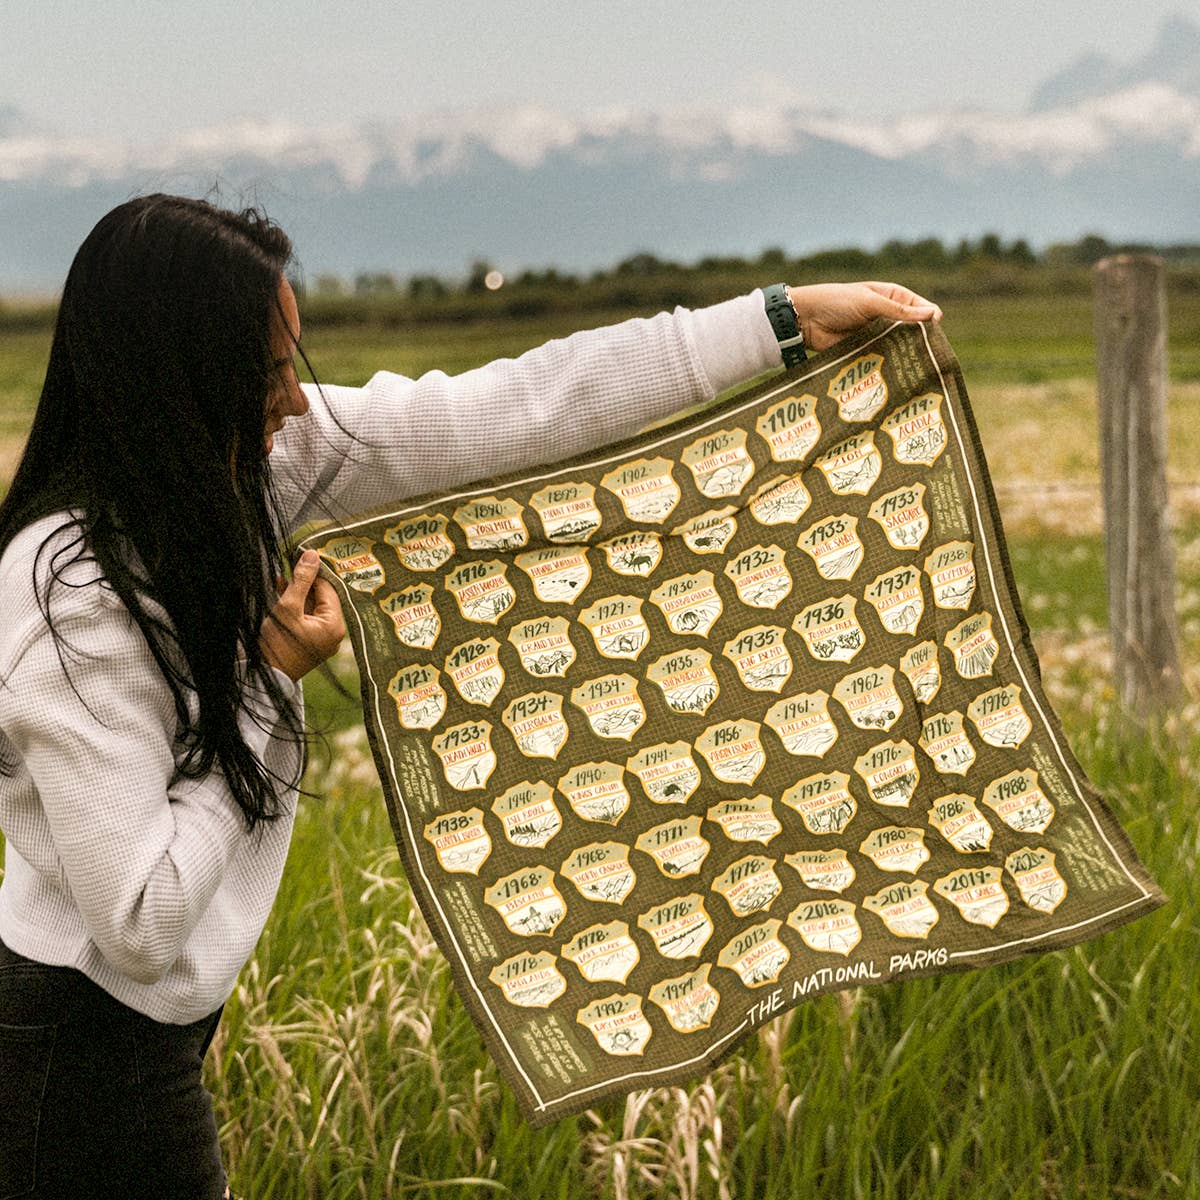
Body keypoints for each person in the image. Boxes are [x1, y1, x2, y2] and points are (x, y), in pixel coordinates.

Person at [0, 192, 941, 1198]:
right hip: (86, 1051)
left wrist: (781, 320)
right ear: (184, 377)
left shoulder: (242, 474)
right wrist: (273, 677)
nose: (295, 398)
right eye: (271, 369)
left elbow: (521, 406)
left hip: (135, 1037)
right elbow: (140, 922)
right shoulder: (76, 598)